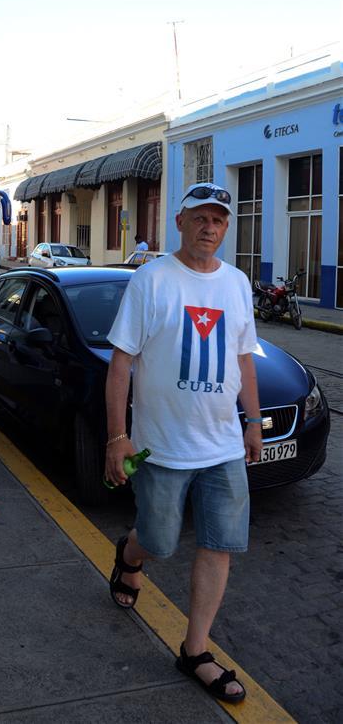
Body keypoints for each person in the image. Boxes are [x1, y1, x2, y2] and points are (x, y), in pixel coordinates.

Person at [105, 182, 262, 705]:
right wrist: (118, 438)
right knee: (159, 541)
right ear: (180, 221)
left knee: (220, 545)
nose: (209, 228)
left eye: (218, 220)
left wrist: (255, 420)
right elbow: (122, 361)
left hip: (222, 446)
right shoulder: (151, 280)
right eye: (200, 218)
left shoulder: (238, 284)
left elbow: (244, 357)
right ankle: (130, 554)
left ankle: (195, 650)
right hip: (163, 447)